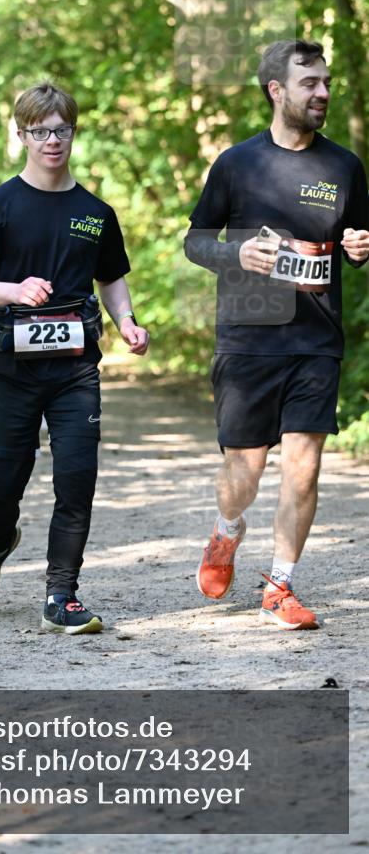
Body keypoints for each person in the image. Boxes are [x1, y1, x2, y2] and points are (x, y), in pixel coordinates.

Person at [184, 39, 369, 630]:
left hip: (315, 338)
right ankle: (227, 530)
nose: (322, 93)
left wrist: (361, 249)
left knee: (305, 466)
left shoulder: (344, 166)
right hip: (248, 336)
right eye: (309, 83)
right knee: (244, 474)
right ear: (276, 91)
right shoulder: (238, 163)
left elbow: (355, 241)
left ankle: (280, 585)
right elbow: (194, 242)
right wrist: (238, 253)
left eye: (326, 82)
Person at [0, 82, 149, 634]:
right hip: (14, 370)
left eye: (61, 129)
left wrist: (127, 323)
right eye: (39, 131)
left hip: (76, 370)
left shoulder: (95, 212)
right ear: (21, 134)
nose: (51, 141)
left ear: (73, 131)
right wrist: (14, 291)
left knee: (76, 478)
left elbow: (111, 277)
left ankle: (61, 595)